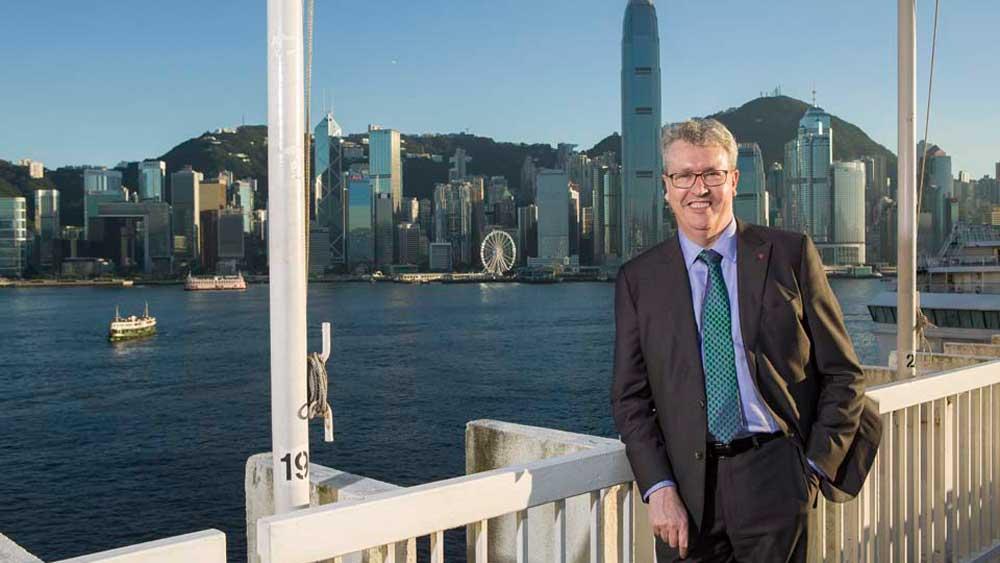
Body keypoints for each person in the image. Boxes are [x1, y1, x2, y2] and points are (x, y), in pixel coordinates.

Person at [610, 119, 880, 562]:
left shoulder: (790, 254)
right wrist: (656, 487)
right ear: (666, 187)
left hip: (776, 477)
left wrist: (811, 470)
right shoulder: (639, 280)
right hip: (686, 492)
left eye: (712, 174)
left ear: (734, 180)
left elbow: (844, 374)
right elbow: (630, 399)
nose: (698, 188)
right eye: (683, 176)